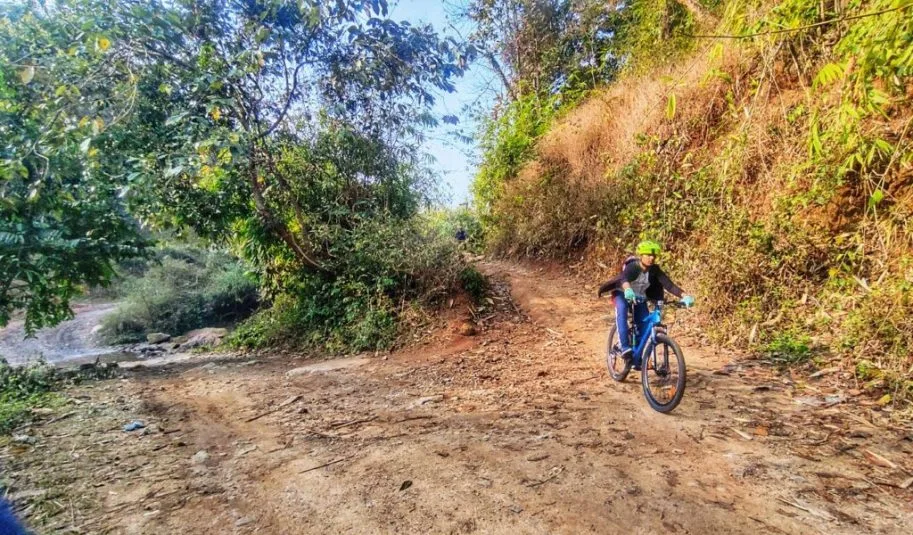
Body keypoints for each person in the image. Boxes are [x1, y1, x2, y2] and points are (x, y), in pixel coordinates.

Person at [597, 240, 694, 368]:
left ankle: (637, 358)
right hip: (622, 293)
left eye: (653, 256)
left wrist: (684, 295)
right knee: (622, 311)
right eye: (648, 255)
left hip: (639, 297)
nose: (651, 258)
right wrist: (627, 289)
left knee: (644, 324)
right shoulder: (633, 266)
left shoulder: (655, 270)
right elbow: (623, 279)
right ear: (641, 255)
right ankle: (624, 346)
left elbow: (669, 285)